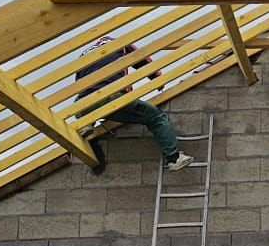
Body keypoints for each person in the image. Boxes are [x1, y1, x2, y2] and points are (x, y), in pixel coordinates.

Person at [76, 35, 194, 168]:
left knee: (85, 99)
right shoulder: (120, 43)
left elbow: (80, 87)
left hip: (84, 105)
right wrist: (158, 80)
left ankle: (87, 123)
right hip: (113, 98)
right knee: (156, 117)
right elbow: (142, 60)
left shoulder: (83, 56)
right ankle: (174, 158)